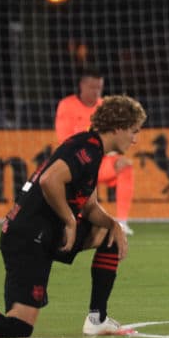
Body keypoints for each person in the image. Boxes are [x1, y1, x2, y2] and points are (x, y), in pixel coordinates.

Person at [0, 95, 148, 338]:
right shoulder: (86, 150)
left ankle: (97, 319)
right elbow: (49, 180)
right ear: (118, 127)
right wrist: (70, 221)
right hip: (28, 237)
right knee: (17, 328)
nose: (135, 139)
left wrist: (113, 224)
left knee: (109, 234)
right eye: (134, 131)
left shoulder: (91, 149)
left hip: (43, 233)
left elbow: (89, 208)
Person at [55, 68, 136, 234]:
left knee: (125, 165)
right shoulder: (66, 105)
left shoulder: (104, 107)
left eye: (99, 88)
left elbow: (115, 137)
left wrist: (114, 153)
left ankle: (122, 222)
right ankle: (68, 220)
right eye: (92, 87)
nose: (96, 92)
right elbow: (64, 140)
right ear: (82, 85)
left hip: (101, 162)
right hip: (77, 163)